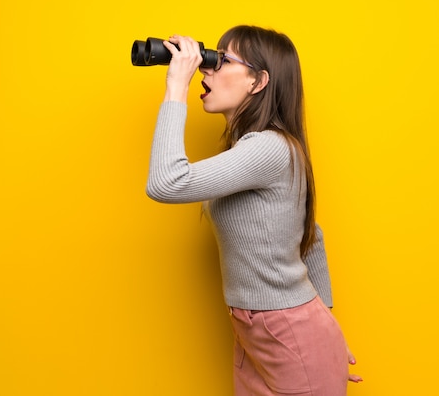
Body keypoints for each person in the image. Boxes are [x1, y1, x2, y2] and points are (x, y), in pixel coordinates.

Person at [145, 25, 362, 395]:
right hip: (253, 334)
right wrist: (327, 324)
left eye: (221, 60)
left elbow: (165, 183)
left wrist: (176, 86)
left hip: (287, 332)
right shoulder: (250, 150)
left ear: (258, 82)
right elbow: (313, 237)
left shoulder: (269, 148)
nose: (205, 69)